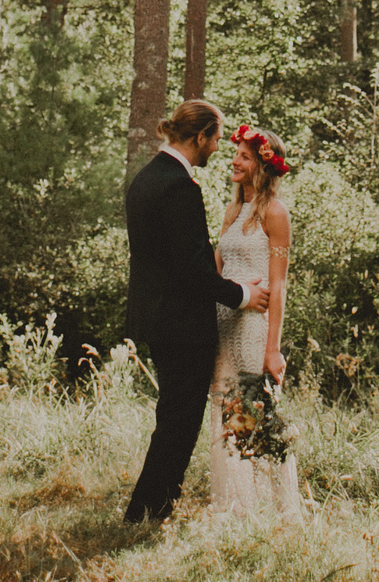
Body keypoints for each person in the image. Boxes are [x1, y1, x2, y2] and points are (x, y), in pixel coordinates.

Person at [123, 99, 270, 524]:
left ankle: (149, 508)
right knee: (178, 422)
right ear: (200, 136)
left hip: (157, 317)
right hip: (181, 323)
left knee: (172, 416)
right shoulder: (179, 187)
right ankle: (149, 511)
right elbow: (192, 270)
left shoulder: (146, 179)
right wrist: (243, 294)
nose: (218, 150)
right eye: (217, 140)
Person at [209, 122, 303, 519]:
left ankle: (270, 508)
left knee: (256, 412)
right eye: (236, 154)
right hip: (223, 323)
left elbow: (278, 287)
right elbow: (214, 271)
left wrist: (273, 348)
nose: (234, 160)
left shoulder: (275, 213)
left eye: (244, 156)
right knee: (228, 411)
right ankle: (236, 505)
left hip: (254, 329)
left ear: (262, 166)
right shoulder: (232, 211)